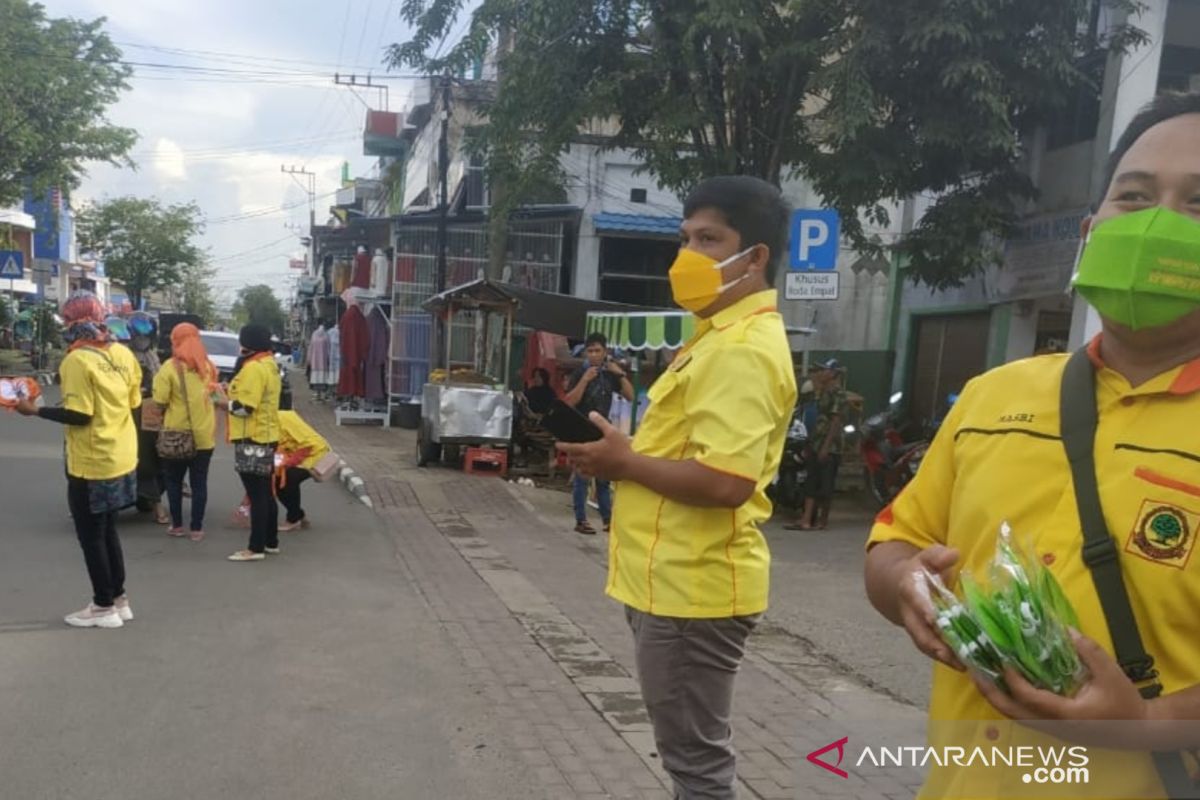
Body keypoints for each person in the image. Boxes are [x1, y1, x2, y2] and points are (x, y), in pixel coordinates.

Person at [864, 92, 1200, 799]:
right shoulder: (993, 395)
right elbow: (894, 542)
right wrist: (905, 587)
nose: (1159, 223)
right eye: (1134, 197)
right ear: (1091, 230)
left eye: (1198, 204)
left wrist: (1143, 721)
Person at [558, 175, 796, 799]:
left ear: (756, 256)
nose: (689, 255)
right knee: (689, 754)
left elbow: (726, 481)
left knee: (695, 763)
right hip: (670, 582)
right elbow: (688, 454)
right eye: (685, 237)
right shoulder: (714, 338)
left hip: (694, 590)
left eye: (709, 239)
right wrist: (621, 455)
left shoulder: (741, 349)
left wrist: (625, 465)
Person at [15, 291, 142, 629]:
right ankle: (119, 598)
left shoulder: (76, 360)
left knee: (91, 533)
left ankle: (102, 606)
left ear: (71, 322)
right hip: (122, 453)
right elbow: (132, 402)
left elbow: (80, 414)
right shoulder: (122, 353)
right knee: (107, 527)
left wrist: (35, 410)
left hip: (92, 459)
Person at [215, 324, 282, 562]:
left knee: (257, 493)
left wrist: (222, 403)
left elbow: (245, 408)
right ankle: (270, 541)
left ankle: (255, 548)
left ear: (248, 343)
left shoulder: (254, 368)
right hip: (266, 434)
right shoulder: (269, 364)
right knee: (265, 491)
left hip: (252, 436)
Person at [152, 323, 218, 542]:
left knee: (173, 481)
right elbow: (214, 397)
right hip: (204, 436)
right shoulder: (209, 367)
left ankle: (177, 525)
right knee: (200, 483)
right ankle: (197, 529)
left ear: (175, 340)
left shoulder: (169, 368)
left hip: (176, 436)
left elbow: (160, 401)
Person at [563, 333, 634, 535]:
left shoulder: (609, 374)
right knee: (582, 477)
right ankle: (581, 520)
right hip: (582, 428)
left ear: (605, 352)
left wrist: (619, 373)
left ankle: (607, 520)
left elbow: (630, 395)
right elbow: (570, 401)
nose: (593, 355)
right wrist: (584, 380)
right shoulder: (580, 373)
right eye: (590, 351)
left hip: (603, 429)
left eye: (598, 351)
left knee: (603, 478)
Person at [785, 359, 847, 531]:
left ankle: (822, 520)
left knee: (825, 485)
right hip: (815, 441)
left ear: (833, 373)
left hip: (830, 446)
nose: (820, 373)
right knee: (810, 482)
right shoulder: (819, 392)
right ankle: (805, 519)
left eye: (824, 371)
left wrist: (826, 447)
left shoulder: (838, 394)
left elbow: (836, 421)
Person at [128, 311, 168, 524]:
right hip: (125, 412)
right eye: (138, 337)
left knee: (149, 458)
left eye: (146, 337)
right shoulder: (122, 355)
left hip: (149, 413)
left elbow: (161, 383)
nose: (141, 341)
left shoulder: (153, 357)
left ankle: (157, 505)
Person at [274, 392, 331, 532]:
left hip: (313, 453)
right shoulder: (271, 419)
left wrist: (289, 463)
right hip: (297, 454)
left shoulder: (283, 416)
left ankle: (293, 519)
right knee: (278, 480)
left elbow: (308, 444)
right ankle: (298, 515)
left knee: (287, 479)